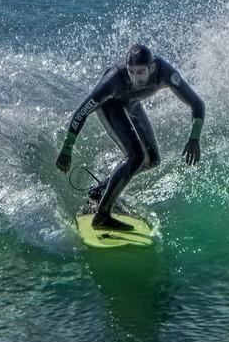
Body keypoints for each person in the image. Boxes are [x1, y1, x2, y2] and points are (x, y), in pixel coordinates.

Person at [56, 43, 205, 230]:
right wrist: (67, 148)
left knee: (152, 160)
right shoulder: (114, 80)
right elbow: (81, 112)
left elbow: (197, 103)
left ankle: (100, 191)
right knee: (136, 156)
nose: (135, 78)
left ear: (151, 68)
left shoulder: (166, 73)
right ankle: (102, 216)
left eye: (140, 73)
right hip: (111, 106)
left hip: (132, 104)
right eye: (131, 72)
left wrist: (194, 138)